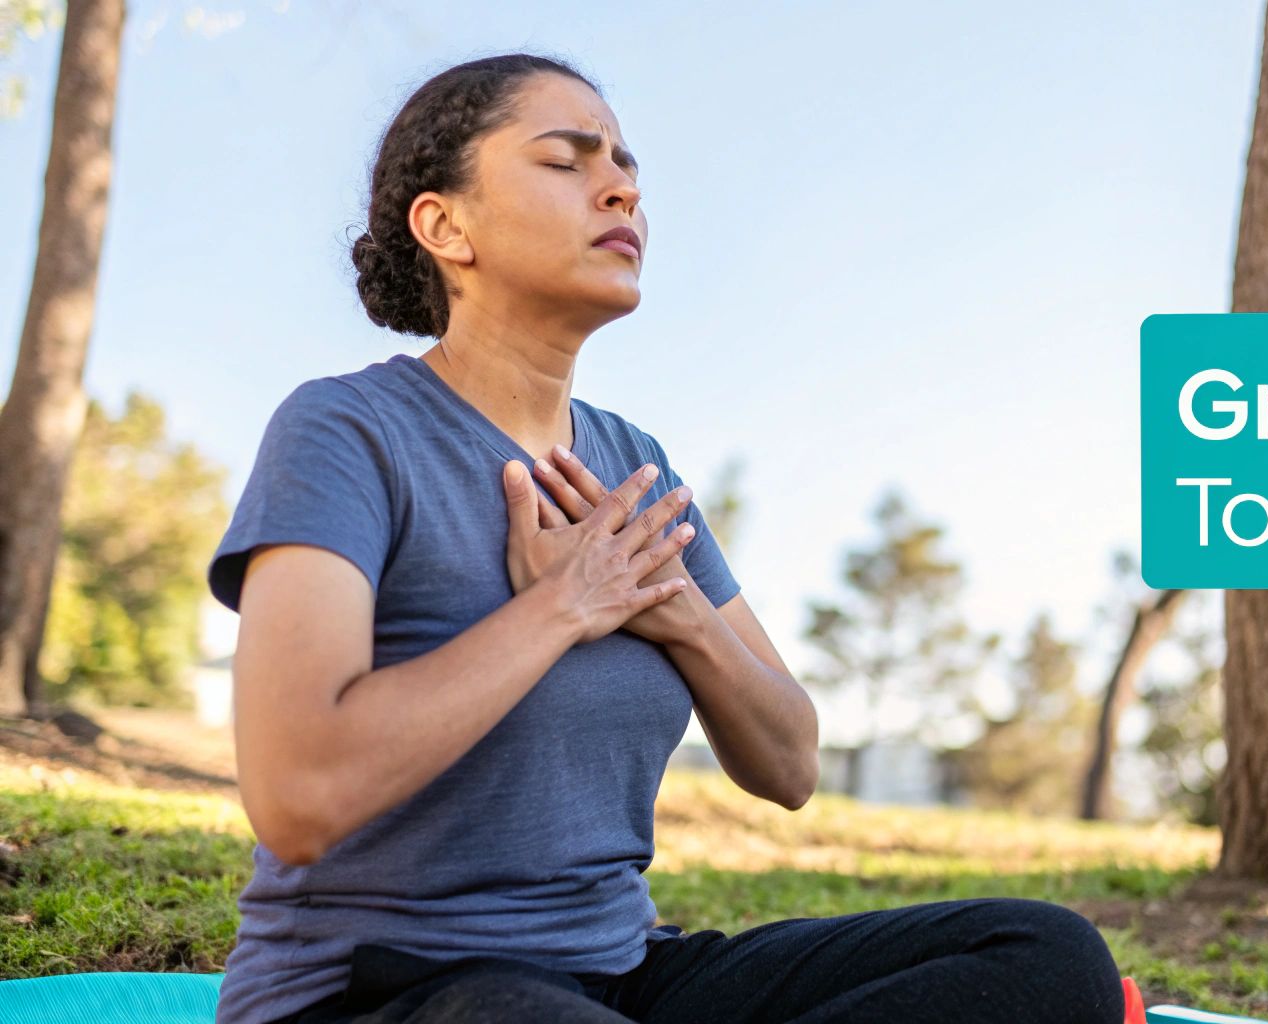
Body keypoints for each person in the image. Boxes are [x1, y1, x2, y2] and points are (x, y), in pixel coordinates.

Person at [206, 52, 1127, 1024]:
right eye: (566, 161)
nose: (621, 187)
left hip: (624, 974)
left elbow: (789, 763)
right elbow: (298, 792)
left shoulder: (633, 466)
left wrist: (671, 607)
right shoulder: (349, 431)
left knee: (1044, 955)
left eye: (624, 165)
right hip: (386, 989)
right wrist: (564, 606)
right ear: (445, 225)